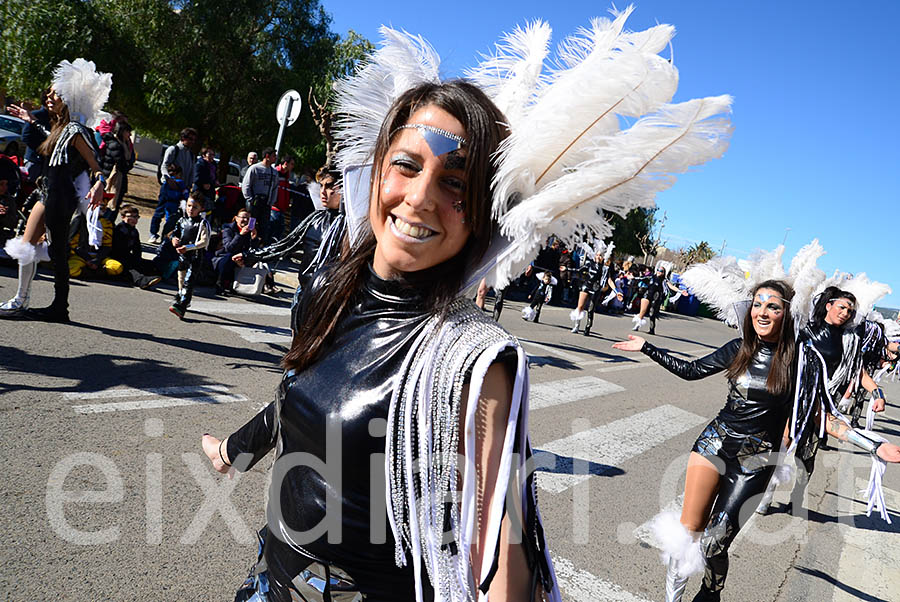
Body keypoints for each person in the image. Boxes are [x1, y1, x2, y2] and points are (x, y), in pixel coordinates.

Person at [201, 81, 559, 602]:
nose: (419, 197)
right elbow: (300, 396)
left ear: (481, 212)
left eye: (455, 183)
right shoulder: (330, 290)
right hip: (265, 583)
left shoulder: (473, 360)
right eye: (407, 166)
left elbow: (503, 550)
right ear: (377, 170)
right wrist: (233, 450)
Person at [613, 280, 900, 602]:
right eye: (757, 304)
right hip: (714, 444)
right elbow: (691, 370)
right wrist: (647, 348)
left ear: (788, 313)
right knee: (687, 535)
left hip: (757, 459)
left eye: (772, 306)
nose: (762, 312)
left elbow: (822, 417)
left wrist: (873, 445)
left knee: (714, 542)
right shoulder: (739, 348)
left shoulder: (803, 362)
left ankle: (711, 591)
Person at [0, 59, 110, 322]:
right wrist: (30, 120)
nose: (49, 96)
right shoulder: (60, 128)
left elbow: (95, 163)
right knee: (37, 247)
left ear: (69, 98)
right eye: (48, 93)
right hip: (49, 194)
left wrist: (99, 184)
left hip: (59, 198)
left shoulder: (75, 130)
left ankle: (42, 304)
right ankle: (39, 303)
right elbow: (51, 140)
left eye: (55, 93)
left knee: (47, 250)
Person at [235, 166, 346, 324]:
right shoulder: (315, 219)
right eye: (321, 186)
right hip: (304, 293)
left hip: (331, 300)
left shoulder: (353, 226)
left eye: (329, 187)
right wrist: (250, 256)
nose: (323, 192)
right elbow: (286, 245)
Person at [169, 192, 210, 319]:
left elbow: (204, 241)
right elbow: (174, 233)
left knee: (189, 280)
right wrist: (173, 239)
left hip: (195, 255)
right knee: (181, 278)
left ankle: (182, 306)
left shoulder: (203, 223)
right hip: (182, 255)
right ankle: (182, 297)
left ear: (201, 209)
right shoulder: (182, 220)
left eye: (195, 207)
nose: (190, 209)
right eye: (189, 206)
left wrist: (188, 247)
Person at [212, 208, 261, 295]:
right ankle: (220, 285)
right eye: (243, 217)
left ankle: (266, 285)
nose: (245, 220)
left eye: (248, 219)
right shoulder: (228, 229)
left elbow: (254, 250)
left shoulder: (250, 231)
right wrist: (241, 234)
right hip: (224, 257)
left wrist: (254, 239)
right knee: (229, 257)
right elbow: (229, 248)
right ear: (236, 218)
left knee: (260, 261)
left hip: (242, 257)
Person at [68, 206, 122, 278]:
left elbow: (107, 245)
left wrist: (97, 260)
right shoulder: (79, 220)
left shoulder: (107, 223)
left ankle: (94, 271)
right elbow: (73, 244)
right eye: (100, 208)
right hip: (80, 256)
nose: (103, 210)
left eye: (104, 208)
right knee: (71, 270)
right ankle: (95, 272)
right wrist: (88, 259)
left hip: (99, 256)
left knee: (117, 268)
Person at [110, 204, 156, 287]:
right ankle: (141, 281)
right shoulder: (119, 229)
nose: (133, 219)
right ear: (123, 217)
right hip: (116, 257)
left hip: (127, 256)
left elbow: (137, 248)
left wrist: (138, 260)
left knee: (150, 265)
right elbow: (117, 249)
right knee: (130, 269)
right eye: (130, 216)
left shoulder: (134, 231)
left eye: (136, 217)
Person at [241, 146, 278, 243]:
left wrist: (271, 202)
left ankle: (261, 245)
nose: (276, 158)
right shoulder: (255, 168)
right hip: (254, 204)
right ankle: (247, 243)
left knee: (264, 227)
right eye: (274, 156)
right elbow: (246, 185)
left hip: (266, 204)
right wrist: (251, 199)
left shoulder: (274, 172)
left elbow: (275, 188)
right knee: (251, 225)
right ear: (267, 156)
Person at [98, 118, 134, 214]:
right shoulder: (115, 144)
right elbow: (122, 164)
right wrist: (127, 165)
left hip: (120, 180)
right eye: (128, 132)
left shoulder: (125, 145)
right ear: (122, 131)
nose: (130, 135)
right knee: (107, 208)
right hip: (111, 179)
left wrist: (128, 164)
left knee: (114, 207)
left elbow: (129, 162)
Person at [149, 163, 189, 244]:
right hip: (174, 204)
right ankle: (166, 237)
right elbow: (185, 194)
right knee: (170, 222)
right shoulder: (180, 183)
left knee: (157, 217)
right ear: (179, 174)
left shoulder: (165, 183)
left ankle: (153, 235)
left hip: (163, 202)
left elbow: (162, 194)